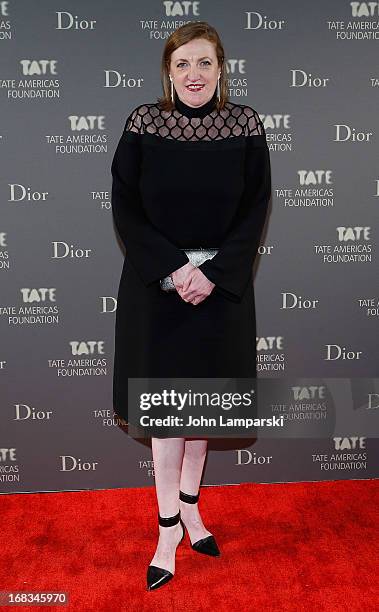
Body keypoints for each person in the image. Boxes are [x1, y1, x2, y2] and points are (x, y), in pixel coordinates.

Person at [111, 21, 271, 591]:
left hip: (221, 292)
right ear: (168, 72)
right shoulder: (143, 124)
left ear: (221, 70)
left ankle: (193, 510)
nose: (193, 74)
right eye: (182, 64)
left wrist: (214, 274)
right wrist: (177, 270)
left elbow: (256, 210)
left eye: (204, 63)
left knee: (200, 408)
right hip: (158, 292)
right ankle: (166, 530)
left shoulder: (246, 125)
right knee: (165, 414)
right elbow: (125, 208)